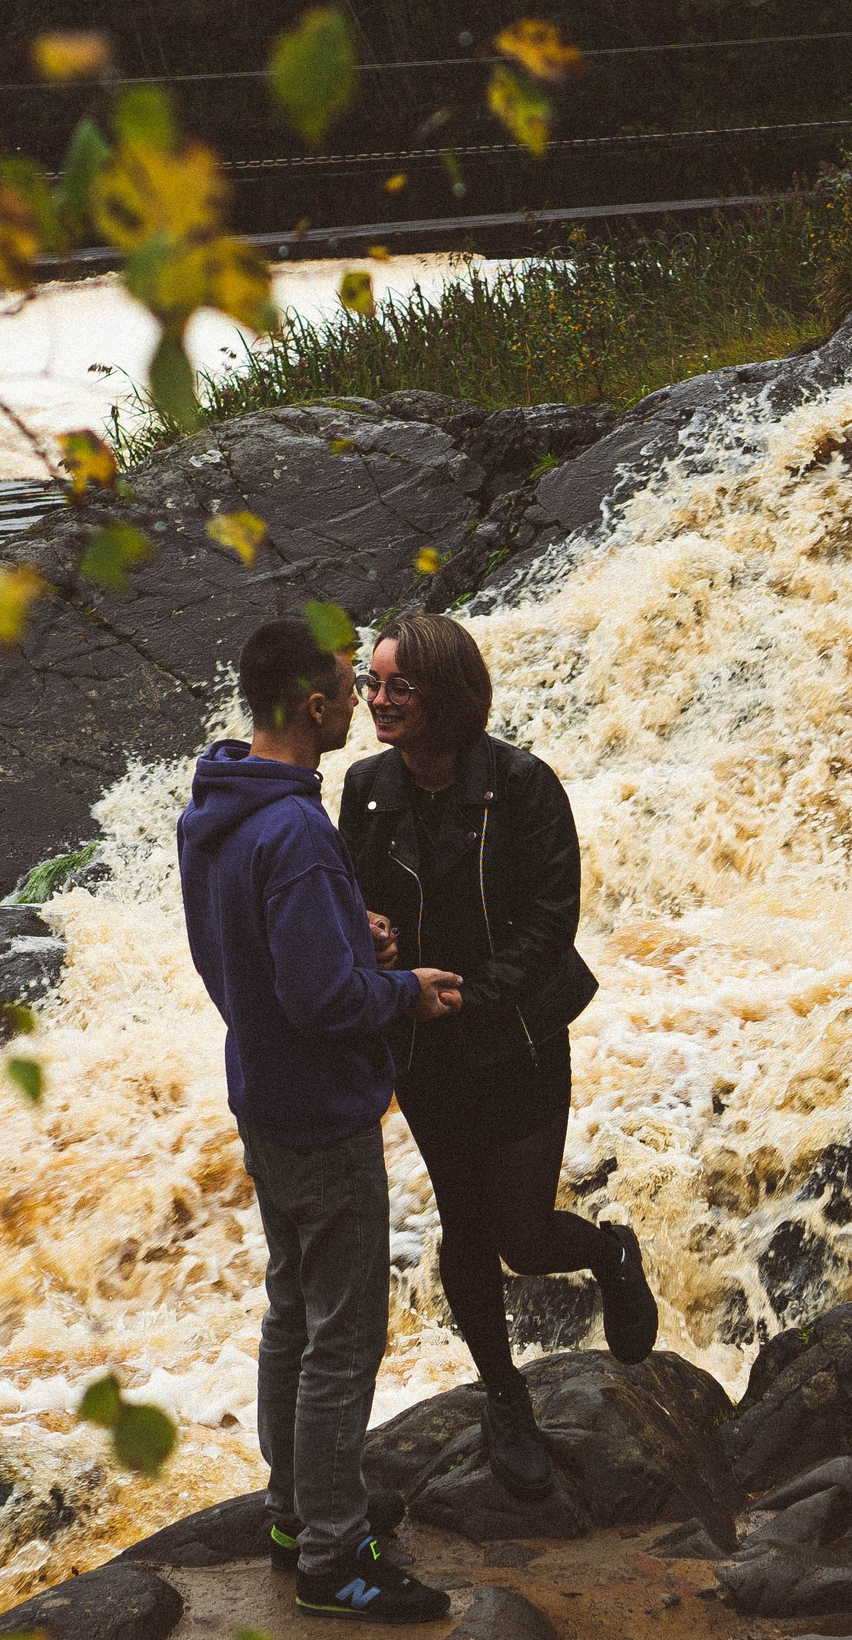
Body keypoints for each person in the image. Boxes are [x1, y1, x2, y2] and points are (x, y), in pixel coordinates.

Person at [177, 616, 464, 1624]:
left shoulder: (217, 805)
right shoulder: (296, 828)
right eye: (350, 688)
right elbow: (326, 1002)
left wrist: (348, 934)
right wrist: (400, 988)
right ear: (313, 704)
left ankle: (295, 1511)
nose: (362, 704)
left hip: (261, 1091)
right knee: (343, 1337)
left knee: (291, 1313)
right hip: (322, 1110)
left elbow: (234, 954)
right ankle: (336, 1561)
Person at [338, 612, 658, 1501]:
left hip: (515, 1038)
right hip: (424, 1047)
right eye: (370, 684)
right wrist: (368, 937)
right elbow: (350, 901)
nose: (378, 700)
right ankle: (505, 1394)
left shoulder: (520, 784)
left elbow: (554, 918)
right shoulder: (365, 789)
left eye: (398, 685)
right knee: (465, 1228)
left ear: (446, 691)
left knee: (523, 1234)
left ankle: (609, 1252)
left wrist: (473, 996)